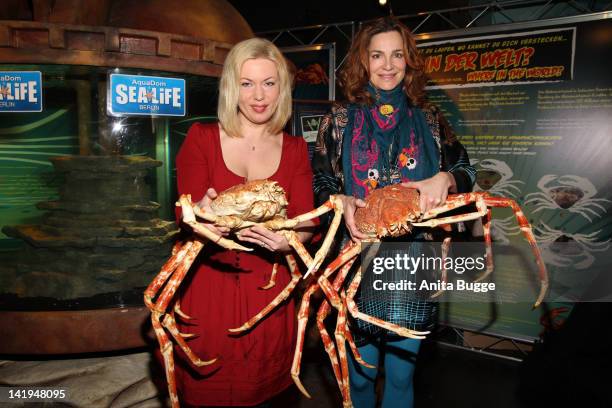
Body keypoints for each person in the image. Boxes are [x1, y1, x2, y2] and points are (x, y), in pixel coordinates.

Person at [311, 17, 476, 408]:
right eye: (377, 55)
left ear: (409, 61)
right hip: (355, 261)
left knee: (402, 378)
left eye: (397, 55)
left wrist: (445, 180)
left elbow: (466, 170)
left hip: (414, 262)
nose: (388, 65)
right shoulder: (337, 120)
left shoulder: (432, 119)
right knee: (361, 377)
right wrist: (341, 201)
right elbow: (320, 183)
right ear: (362, 63)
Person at [170, 37, 315, 406]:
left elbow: (305, 221)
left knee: (269, 396)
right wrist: (198, 214)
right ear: (232, 87)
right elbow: (184, 210)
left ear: (282, 88)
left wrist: (291, 239)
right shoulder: (200, 139)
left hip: (269, 295)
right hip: (209, 291)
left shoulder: (296, 149)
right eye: (247, 83)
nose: (259, 95)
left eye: (269, 83)